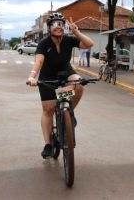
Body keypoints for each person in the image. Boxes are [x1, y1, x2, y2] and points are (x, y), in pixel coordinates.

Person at [27, 12, 94, 159]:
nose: (59, 27)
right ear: (49, 28)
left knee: (79, 83)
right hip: (47, 77)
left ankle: (68, 112)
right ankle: (48, 145)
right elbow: (38, 61)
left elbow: (89, 44)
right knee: (48, 110)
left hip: (66, 73)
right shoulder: (44, 43)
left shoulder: (69, 40)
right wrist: (32, 76)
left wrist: (77, 32)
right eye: (55, 25)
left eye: (61, 25)